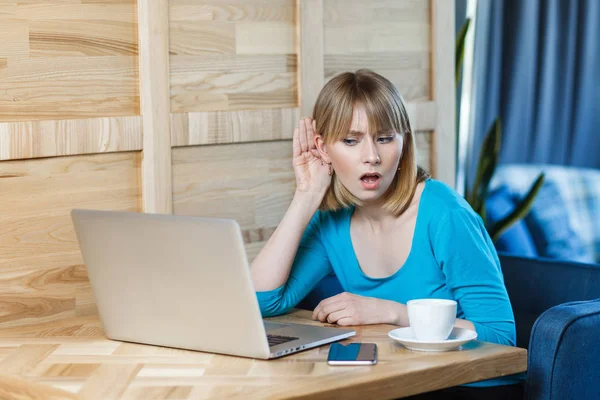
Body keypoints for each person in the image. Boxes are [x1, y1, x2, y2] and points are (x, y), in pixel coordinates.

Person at [250, 69, 523, 399]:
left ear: (403, 141)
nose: (371, 157)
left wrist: (391, 312)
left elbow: (500, 337)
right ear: (324, 148)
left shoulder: (447, 215)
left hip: (466, 386)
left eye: (384, 138)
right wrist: (307, 194)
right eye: (351, 141)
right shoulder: (331, 221)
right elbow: (261, 302)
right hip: (393, 383)